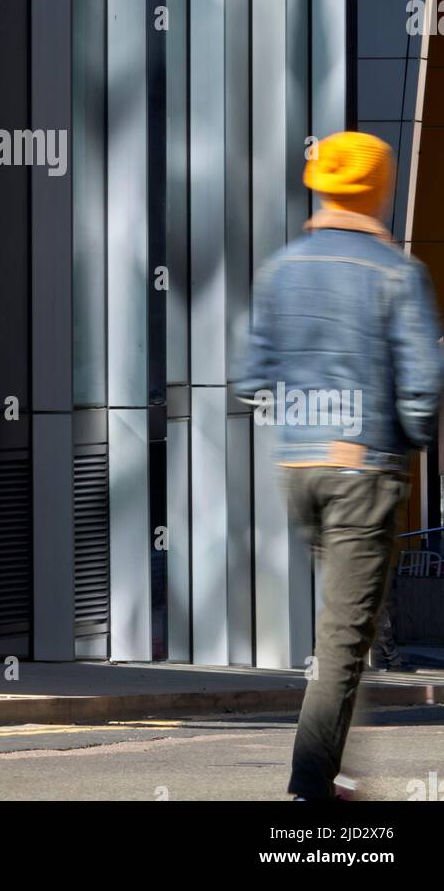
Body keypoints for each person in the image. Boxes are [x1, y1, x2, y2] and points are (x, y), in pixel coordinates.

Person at [234, 132, 443, 801]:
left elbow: (246, 378)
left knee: (345, 625)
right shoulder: (395, 271)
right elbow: (423, 387)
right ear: (379, 188)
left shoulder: (281, 268)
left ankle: (335, 768)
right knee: (346, 640)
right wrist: (409, 439)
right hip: (363, 470)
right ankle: (310, 782)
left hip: (299, 466)